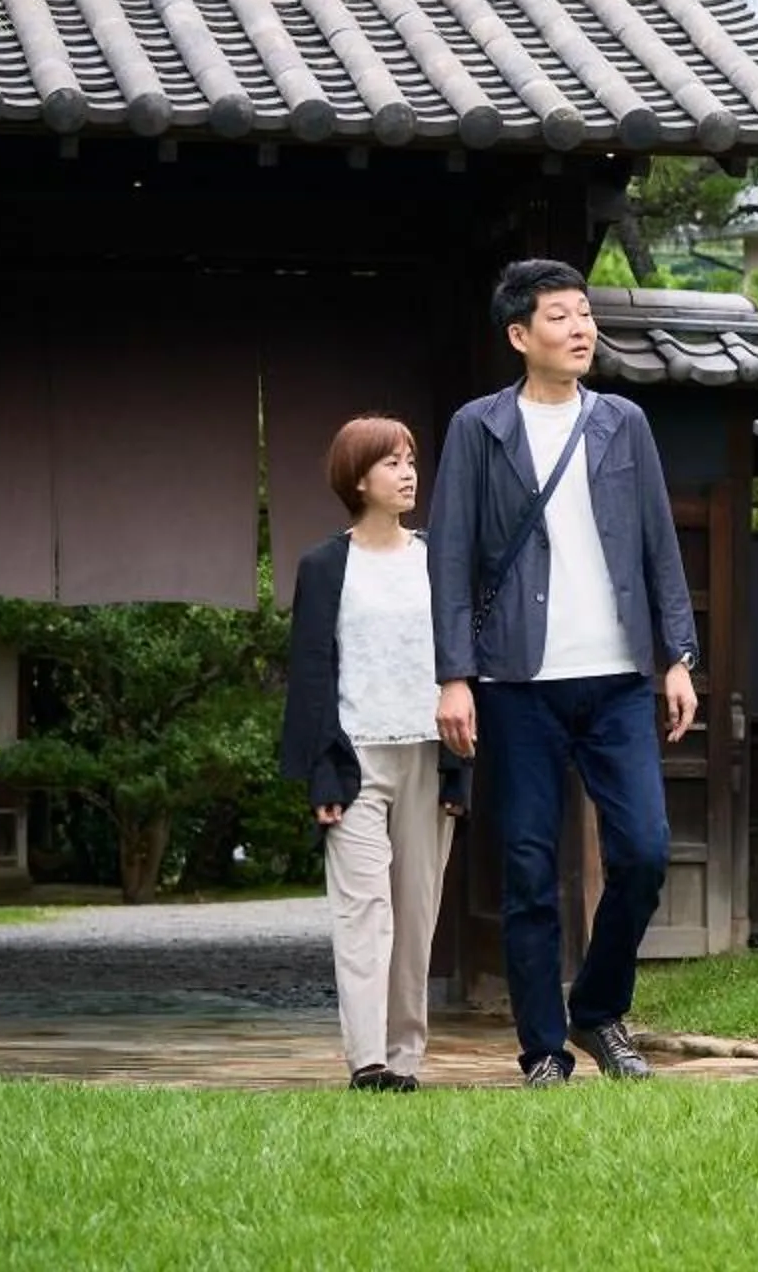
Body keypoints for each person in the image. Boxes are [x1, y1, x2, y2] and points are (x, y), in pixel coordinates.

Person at [425, 259, 701, 1088]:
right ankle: (545, 1047)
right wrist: (454, 675)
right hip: (517, 683)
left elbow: (660, 542)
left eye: (585, 314)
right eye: (561, 317)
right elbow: (452, 557)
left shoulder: (624, 422)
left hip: (617, 677)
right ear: (520, 335)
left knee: (645, 852)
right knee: (529, 867)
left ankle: (599, 1008)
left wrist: (679, 657)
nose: (581, 328)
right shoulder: (480, 428)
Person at [277, 414, 468, 1092]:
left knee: (416, 914)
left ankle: (406, 1057)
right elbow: (310, 670)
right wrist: (320, 772)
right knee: (363, 912)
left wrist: (459, 770)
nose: (409, 471)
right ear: (358, 478)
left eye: (411, 458)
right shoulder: (325, 566)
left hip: (428, 750)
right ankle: (368, 1061)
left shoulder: (437, 557)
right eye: (392, 461)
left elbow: (461, 666)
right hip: (354, 756)